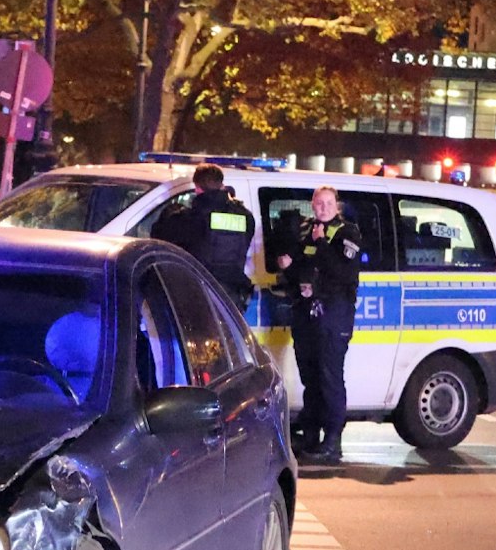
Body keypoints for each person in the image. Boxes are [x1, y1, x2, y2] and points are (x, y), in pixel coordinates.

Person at [276, 185, 361, 465]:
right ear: (312, 205)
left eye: (327, 203)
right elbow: (302, 265)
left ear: (337, 205)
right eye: (318, 203)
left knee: (330, 378)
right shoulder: (306, 231)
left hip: (333, 315)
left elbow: (342, 272)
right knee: (310, 376)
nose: (322, 208)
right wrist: (289, 268)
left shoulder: (347, 232)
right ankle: (310, 434)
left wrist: (322, 243)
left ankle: (333, 440)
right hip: (306, 314)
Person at [152, 164, 258, 308]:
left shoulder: (190, 219)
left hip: (197, 295)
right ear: (222, 184)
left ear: (197, 188)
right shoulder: (245, 217)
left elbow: (158, 236)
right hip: (232, 299)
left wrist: (169, 213)